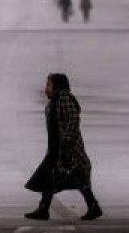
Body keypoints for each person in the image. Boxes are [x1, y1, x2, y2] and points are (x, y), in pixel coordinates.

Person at [25, 73, 102, 221]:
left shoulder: (64, 99)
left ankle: (93, 207)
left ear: (57, 86)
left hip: (68, 150)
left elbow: (73, 121)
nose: (46, 88)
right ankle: (44, 209)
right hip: (56, 149)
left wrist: (66, 143)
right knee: (51, 178)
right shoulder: (54, 101)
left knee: (77, 178)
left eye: (49, 85)